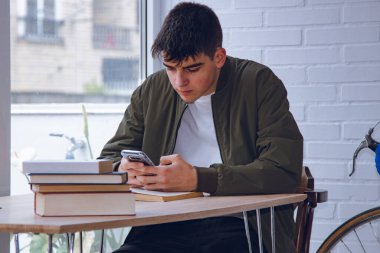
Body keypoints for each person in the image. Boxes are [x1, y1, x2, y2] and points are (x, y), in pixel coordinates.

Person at [99, 2, 303, 253]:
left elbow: (282, 170)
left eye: (192, 69)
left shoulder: (258, 84)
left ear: (218, 57)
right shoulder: (152, 91)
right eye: (170, 68)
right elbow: (107, 159)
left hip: (238, 223)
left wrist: (199, 179)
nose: (179, 81)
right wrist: (123, 169)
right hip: (161, 222)